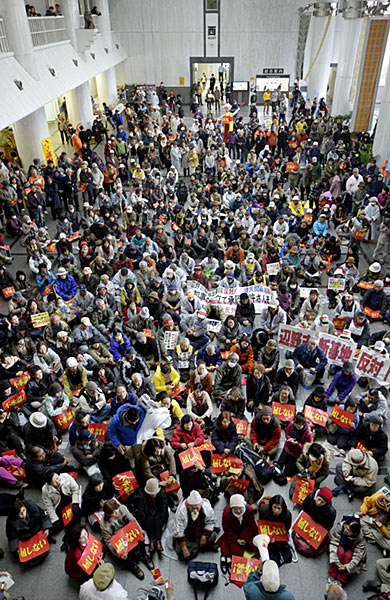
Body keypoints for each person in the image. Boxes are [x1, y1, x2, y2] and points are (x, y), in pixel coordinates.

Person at [100, 499, 153, 580]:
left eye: (117, 510)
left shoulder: (122, 508)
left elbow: (132, 520)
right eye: (114, 513)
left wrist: (140, 533)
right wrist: (119, 553)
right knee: (125, 557)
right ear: (108, 514)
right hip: (118, 538)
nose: (117, 513)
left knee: (140, 537)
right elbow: (108, 542)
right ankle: (133, 566)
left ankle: (144, 555)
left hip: (128, 531)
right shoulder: (104, 524)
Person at [217, 494, 258, 573]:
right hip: (233, 532)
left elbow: (251, 525)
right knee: (236, 551)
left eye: (240, 509)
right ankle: (226, 557)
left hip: (246, 531)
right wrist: (237, 540)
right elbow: (226, 528)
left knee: (253, 547)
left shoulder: (249, 510)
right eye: (236, 509)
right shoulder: (226, 512)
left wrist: (244, 538)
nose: (238, 511)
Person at [172, 489, 217, 561]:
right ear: (188, 506)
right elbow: (179, 530)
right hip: (187, 535)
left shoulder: (206, 507)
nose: (195, 511)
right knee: (182, 552)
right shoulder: (181, 511)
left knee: (213, 535)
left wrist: (204, 536)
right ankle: (202, 547)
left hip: (200, 533)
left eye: (197, 508)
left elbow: (210, 521)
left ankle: (195, 547)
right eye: (192, 508)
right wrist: (184, 548)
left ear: (200, 504)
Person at [293, 488, 336, 557]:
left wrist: (312, 539)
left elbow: (327, 527)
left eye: (322, 502)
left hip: (317, 527)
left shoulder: (331, 512)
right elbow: (302, 509)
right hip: (307, 522)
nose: (319, 503)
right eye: (319, 499)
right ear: (316, 496)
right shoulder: (310, 497)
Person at [131, 478, 168, 557]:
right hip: (148, 513)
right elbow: (141, 509)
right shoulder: (143, 495)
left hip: (158, 513)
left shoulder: (162, 494)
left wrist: (159, 518)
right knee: (149, 520)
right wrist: (147, 520)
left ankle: (158, 540)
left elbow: (164, 509)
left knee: (157, 519)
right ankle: (152, 539)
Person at [328, 516, 366, 587]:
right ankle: (333, 573)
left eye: (348, 531)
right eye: (346, 527)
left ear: (354, 534)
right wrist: (335, 560)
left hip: (351, 549)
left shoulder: (360, 538)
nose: (345, 530)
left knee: (348, 556)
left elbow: (358, 556)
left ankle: (341, 578)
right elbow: (334, 542)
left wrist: (347, 567)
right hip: (340, 545)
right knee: (339, 553)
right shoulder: (341, 526)